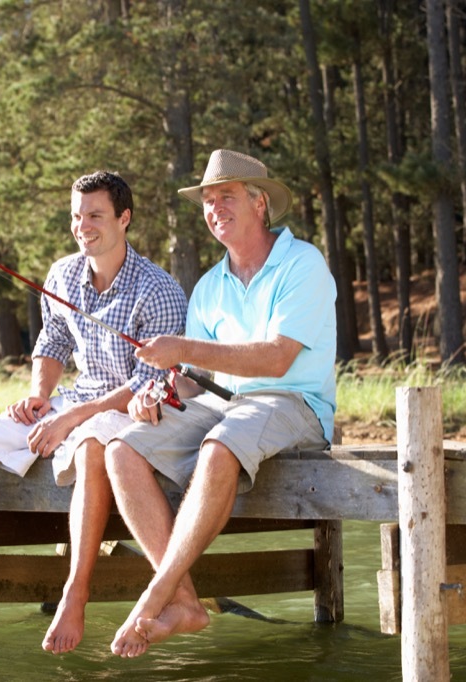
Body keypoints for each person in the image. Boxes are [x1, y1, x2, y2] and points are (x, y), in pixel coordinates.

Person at [0, 171, 187, 655]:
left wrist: (72, 418)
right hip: (74, 398)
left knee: (89, 449)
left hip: (131, 410)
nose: (83, 226)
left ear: (124, 218)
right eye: (76, 216)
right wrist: (40, 395)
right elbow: (54, 341)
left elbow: (152, 382)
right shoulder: (62, 274)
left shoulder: (159, 289)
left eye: (95, 215)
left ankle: (74, 592)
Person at [104, 149, 337, 658]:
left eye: (225, 197)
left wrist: (183, 349)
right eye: (208, 201)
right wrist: (159, 392)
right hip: (227, 409)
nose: (214, 209)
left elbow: (278, 358)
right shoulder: (210, 285)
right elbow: (195, 382)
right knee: (121, 449)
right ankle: (185, 602)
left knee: (219, 445)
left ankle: (155, 593)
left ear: (260, 203)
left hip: (295, 404)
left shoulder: (303, 263)